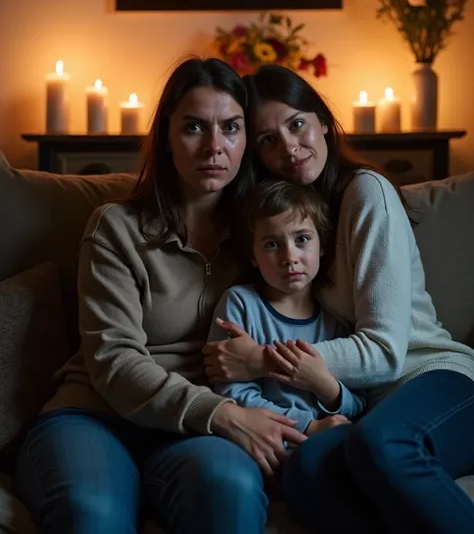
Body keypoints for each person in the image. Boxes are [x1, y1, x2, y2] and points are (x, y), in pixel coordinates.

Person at [14, 57, 307, 534]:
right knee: (93, 513)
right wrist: (224, 414)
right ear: (167, 138)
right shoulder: (116, 228)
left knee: (228, 489)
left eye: (231, 128)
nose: (214, 146)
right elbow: (114, 361)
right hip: (96, 415)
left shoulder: (268, 237)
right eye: (194, 127)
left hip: (194, 435)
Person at [203, 63, 474, 534]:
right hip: (367, 404)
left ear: (324, 120)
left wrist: (263, 360)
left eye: (297, 124)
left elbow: (388, 353)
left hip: (437, 379)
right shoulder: (296, 223)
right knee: (307, 473)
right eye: (268, 139)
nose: (289, 147)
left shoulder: (366, 193)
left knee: (382, 445)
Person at [209, 178, 366, 437]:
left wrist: (327, 387)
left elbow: (359, 401)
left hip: (328, 439)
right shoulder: (240, 304)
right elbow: (231, 393)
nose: (289, 257)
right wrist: (308, 426)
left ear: (323, 245)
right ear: (252, 255)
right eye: (272, 245)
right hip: (261, 439)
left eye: (302, 239)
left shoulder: (336, 320)